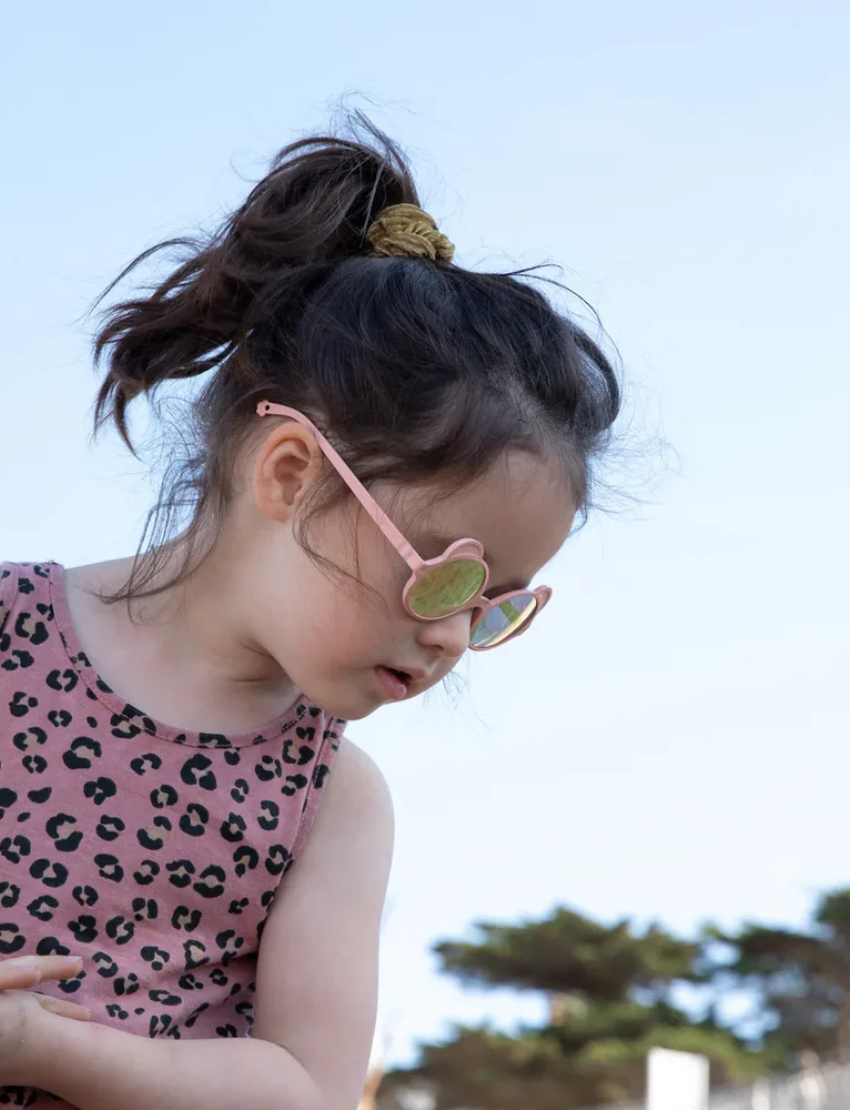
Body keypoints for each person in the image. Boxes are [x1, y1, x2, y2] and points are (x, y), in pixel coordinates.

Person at [0, 117, 620, 1110]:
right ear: (290, 474)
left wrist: (43, 1050)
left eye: (496, 608)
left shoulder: (331, 797)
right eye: (450, 576)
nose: (452, 637)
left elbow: (308, 1090)